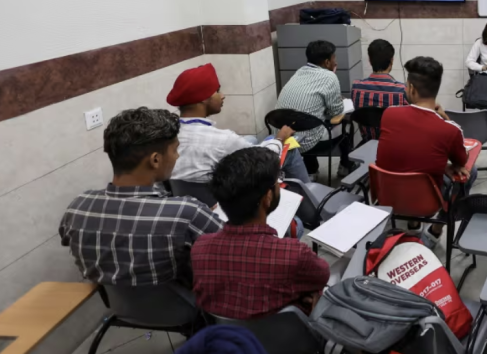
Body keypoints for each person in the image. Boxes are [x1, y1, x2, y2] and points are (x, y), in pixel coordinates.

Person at [59, 108, 222, 287]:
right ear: (155, 160)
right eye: (175, 150)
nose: (177, 156)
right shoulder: (186, 212)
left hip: (120, 310)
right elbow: (233, 248)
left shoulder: (77, 208)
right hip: (185, 309)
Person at [191, 147, 330, 320]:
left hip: (226, 339)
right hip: (286, 341)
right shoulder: (294, 254)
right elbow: (323, 276)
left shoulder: (200, 247)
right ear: (268, 197)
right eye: (277, 181)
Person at [376, 56, 477, 248]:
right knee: (471, 172)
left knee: (411, 162)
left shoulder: (389, 114)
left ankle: (413, 223)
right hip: (427, 202)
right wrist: (445, 119)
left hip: (387, 196)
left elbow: (409, 146)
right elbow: (461, 161)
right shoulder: (450, 130)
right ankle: (435, 231)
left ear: (412, 88)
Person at [167, 63, 310, 184]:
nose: (223, 95)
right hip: (227, 199)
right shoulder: (224, 140)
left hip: (190, 196)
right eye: (217, 91)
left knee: (250, 139)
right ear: (203, 98)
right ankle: (310, 198)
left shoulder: (167, 137)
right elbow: (263, 160)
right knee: (288, 147)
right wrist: (280, 138)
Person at [276, 40, 357, 178]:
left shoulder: (300, 72)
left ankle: (311, 170)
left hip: (284, 138)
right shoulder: (329, 76)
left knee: (307, 120)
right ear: (327, 62)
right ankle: (345, 166)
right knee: (346, 123)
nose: (335, 62)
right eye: (334, 58)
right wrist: (333, 77)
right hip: (309, 143)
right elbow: (336, 112)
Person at [350, 39, 408, 141]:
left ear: (370, 60)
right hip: (394, 146)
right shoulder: (403, 90)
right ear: (392, 60)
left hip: (367, 144)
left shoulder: (356, 87)